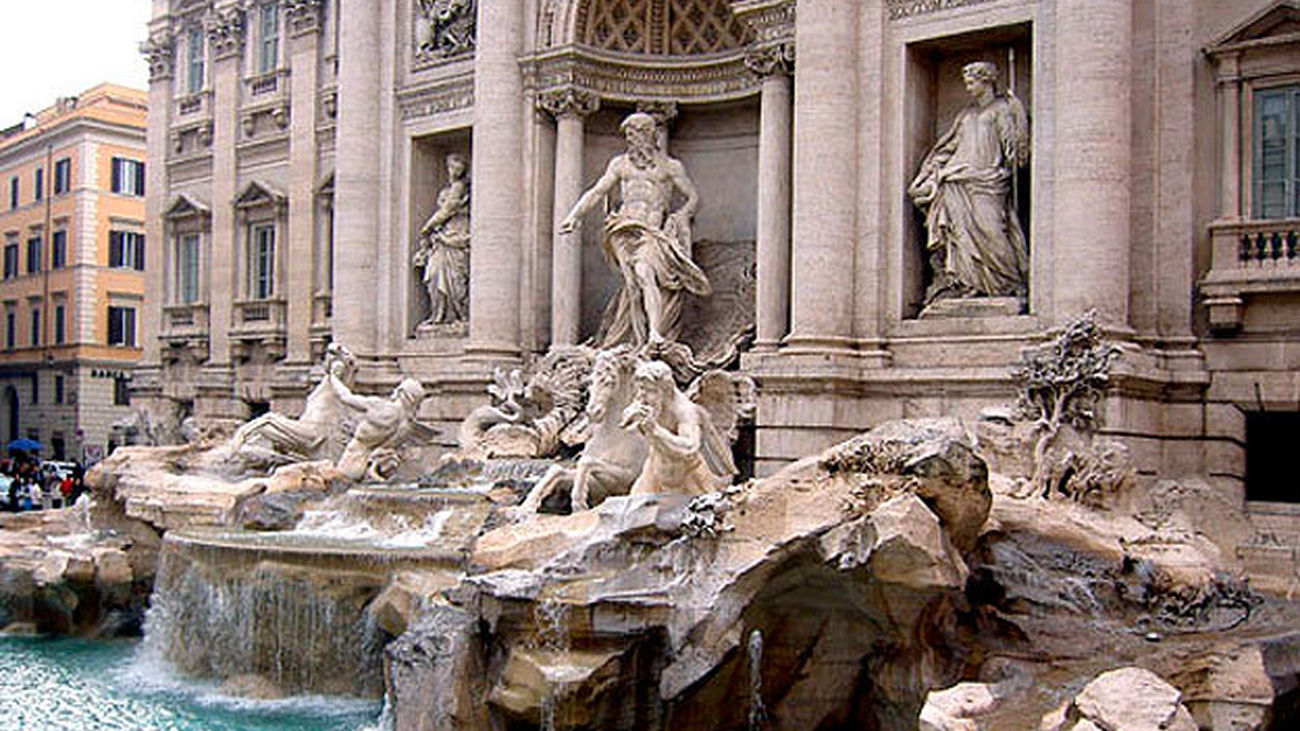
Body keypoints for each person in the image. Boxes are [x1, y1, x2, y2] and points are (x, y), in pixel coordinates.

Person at [559, 112, 711, 346]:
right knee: (632, 287)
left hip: (651, 232)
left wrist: (681, 216)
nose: (631, 142)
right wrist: (575, 215)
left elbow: (693, 198)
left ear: (648, 135)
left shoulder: (670, 167)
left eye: (634, 136)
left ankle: (654, 334)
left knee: (644, 272)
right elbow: (598, 191)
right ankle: (636, 337)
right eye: (628, 137)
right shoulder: (620, 165)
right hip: (623, 230)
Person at [908, 61, 1029, 305]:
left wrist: (1018, 132)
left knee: (992, 230)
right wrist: (931, 173)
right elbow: (949, 147)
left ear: (986, 81)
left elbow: (1014, 152)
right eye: (966, 83)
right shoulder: (966, 114)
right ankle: (971, 283)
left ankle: (1008, 282)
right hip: (957, 180)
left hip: (988, 180)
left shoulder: (1002, 109)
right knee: (961, 236)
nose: (968, 87)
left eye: (972, 82)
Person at [620, 360, 734, 496]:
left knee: (703, 512)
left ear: (666, 390)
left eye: (649, 390)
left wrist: (655, 429)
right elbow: (627, 418)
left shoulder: (685, 410)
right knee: (633, 509)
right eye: (641, 389)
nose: (642, 396)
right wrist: (630, 417)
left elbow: (690, 447)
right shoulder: (646, 398)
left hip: (689, 475)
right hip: (655, 470)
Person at [414, 153, 471, 325]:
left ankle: (458, 315)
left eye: (457, 167)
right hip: (443, 236)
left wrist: (428, 227)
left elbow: (448, 209)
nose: (453, 171)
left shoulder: (459, 187)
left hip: (457, 233)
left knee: (455, 279)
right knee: (434, 274)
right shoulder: (448, 189)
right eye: (451, 167)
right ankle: (439, 315)